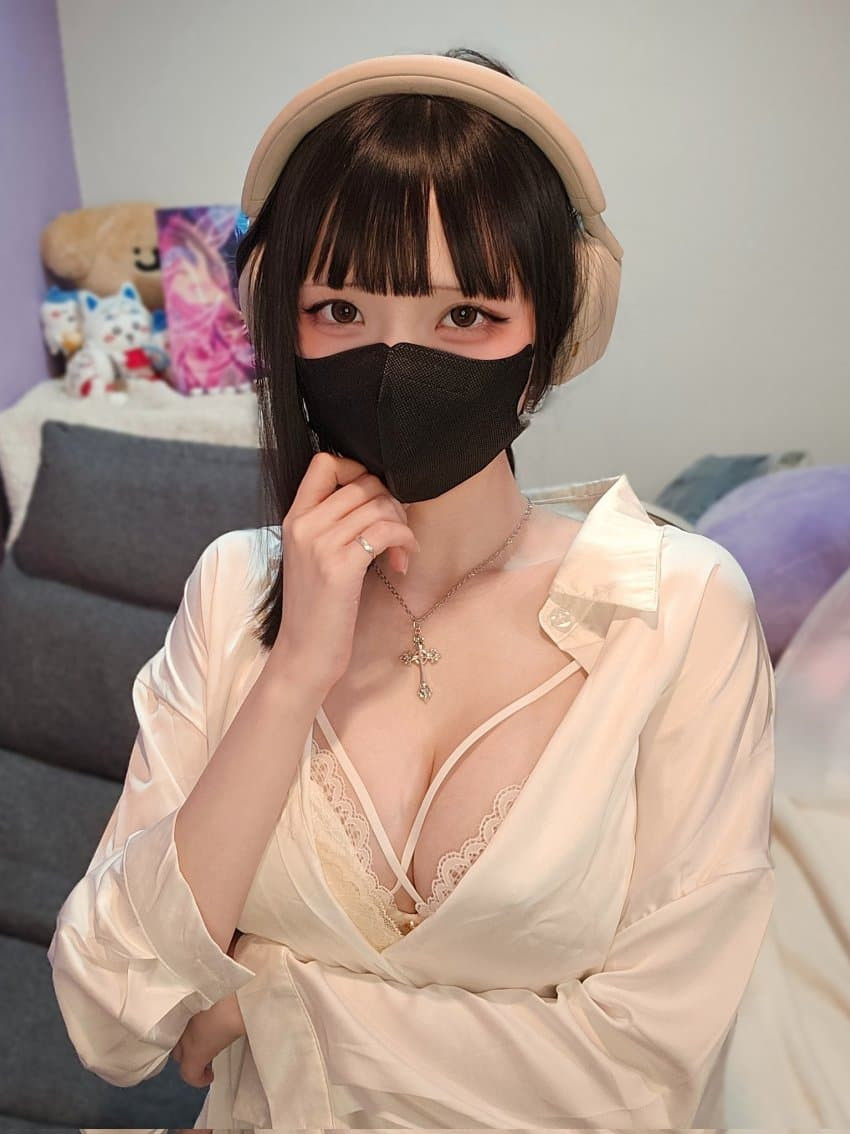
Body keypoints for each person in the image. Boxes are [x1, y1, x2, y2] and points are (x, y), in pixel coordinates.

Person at [48, 49, 776, 1130]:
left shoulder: (680, 610)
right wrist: (293, 674)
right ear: (283, 325)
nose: (395, 359)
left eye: (465, 315)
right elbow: (109, 1018)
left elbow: (648, 1075)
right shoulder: (232, 589)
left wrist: (279, 1005)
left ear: (552, 333)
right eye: (339, 308)